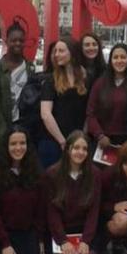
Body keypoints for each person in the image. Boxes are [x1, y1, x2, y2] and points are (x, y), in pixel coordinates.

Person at [0, 126, 45, 254]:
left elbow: (40, 210)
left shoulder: (37, 172)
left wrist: (39, 240)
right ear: (6, 146)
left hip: (28, 234)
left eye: (22, 143)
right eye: (13, 144)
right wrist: (5, 244)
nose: (18, 148)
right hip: (3, 235)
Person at [45, 131, 101, 254]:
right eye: (76, 148)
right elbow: (52, 213)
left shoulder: (95, 174)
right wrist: (63, 241)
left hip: (84, 233)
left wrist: (85, 242)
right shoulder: (52, 174)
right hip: (60, 233)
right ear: (68, 149)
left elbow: (93, 212)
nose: (80, 152)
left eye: (84, 149)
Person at [0, 22, 34, 164]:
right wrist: (4, 134)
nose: (17, 43)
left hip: (23, 132)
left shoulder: (30, 68)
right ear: (6, 41)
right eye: (14, 40)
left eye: (21, 40)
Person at [39, 38, 89, 168]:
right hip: (54, 142)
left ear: (72, 53)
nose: (56, 54)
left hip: (78, 142)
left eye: (61, 51)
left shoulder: (85, 78)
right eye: (55, 51)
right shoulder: (50, 81)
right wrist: (62, 141)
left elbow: (89, 110)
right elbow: (45, 114)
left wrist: (81, 138)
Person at [86, 43, 127, 149]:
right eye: (115, 57)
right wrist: (100, 135)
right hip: (103, 141)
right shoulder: (100, 84)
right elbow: (90, 113)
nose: (119, 61)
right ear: (110, 60)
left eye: (123, 57)